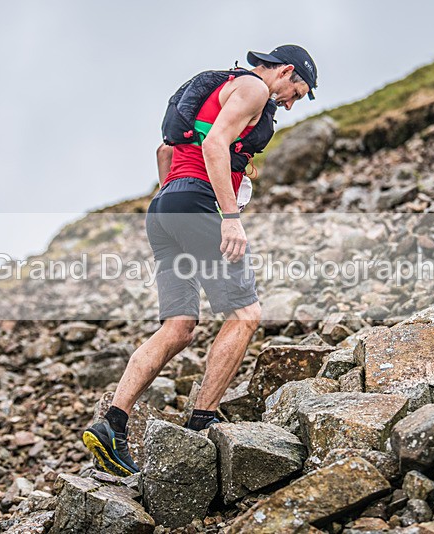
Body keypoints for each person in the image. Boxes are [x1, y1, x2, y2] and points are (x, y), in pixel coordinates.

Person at [82, 45, 318, 476]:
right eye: (296, 92)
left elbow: (164, 152)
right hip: (198, 205)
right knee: (245, 314)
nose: (289, 102)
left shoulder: (223, 87)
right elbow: (213, 144)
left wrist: (178, 199)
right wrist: (228, 218)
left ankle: (113, 423)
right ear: (286, 71)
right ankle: (203, 419)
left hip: (164, 208)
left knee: (178, 327)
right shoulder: (251, 87)